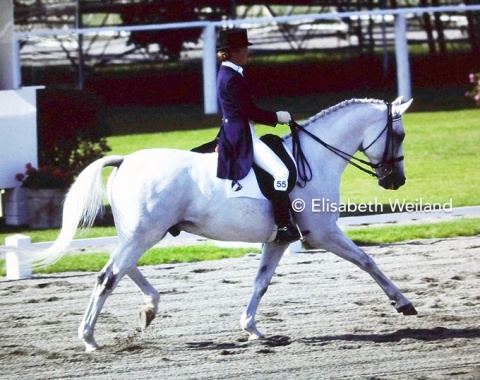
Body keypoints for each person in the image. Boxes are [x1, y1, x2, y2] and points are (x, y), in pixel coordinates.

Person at [215, 28, 305, 243]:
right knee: (281, 173)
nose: (247, 52)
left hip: (238, 130)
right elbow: (249, 111)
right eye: (244, 49)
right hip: (242, 136)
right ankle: (283, 225)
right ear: (233, 52)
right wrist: (278, 117)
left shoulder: (231, 72)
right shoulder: (232, 78)